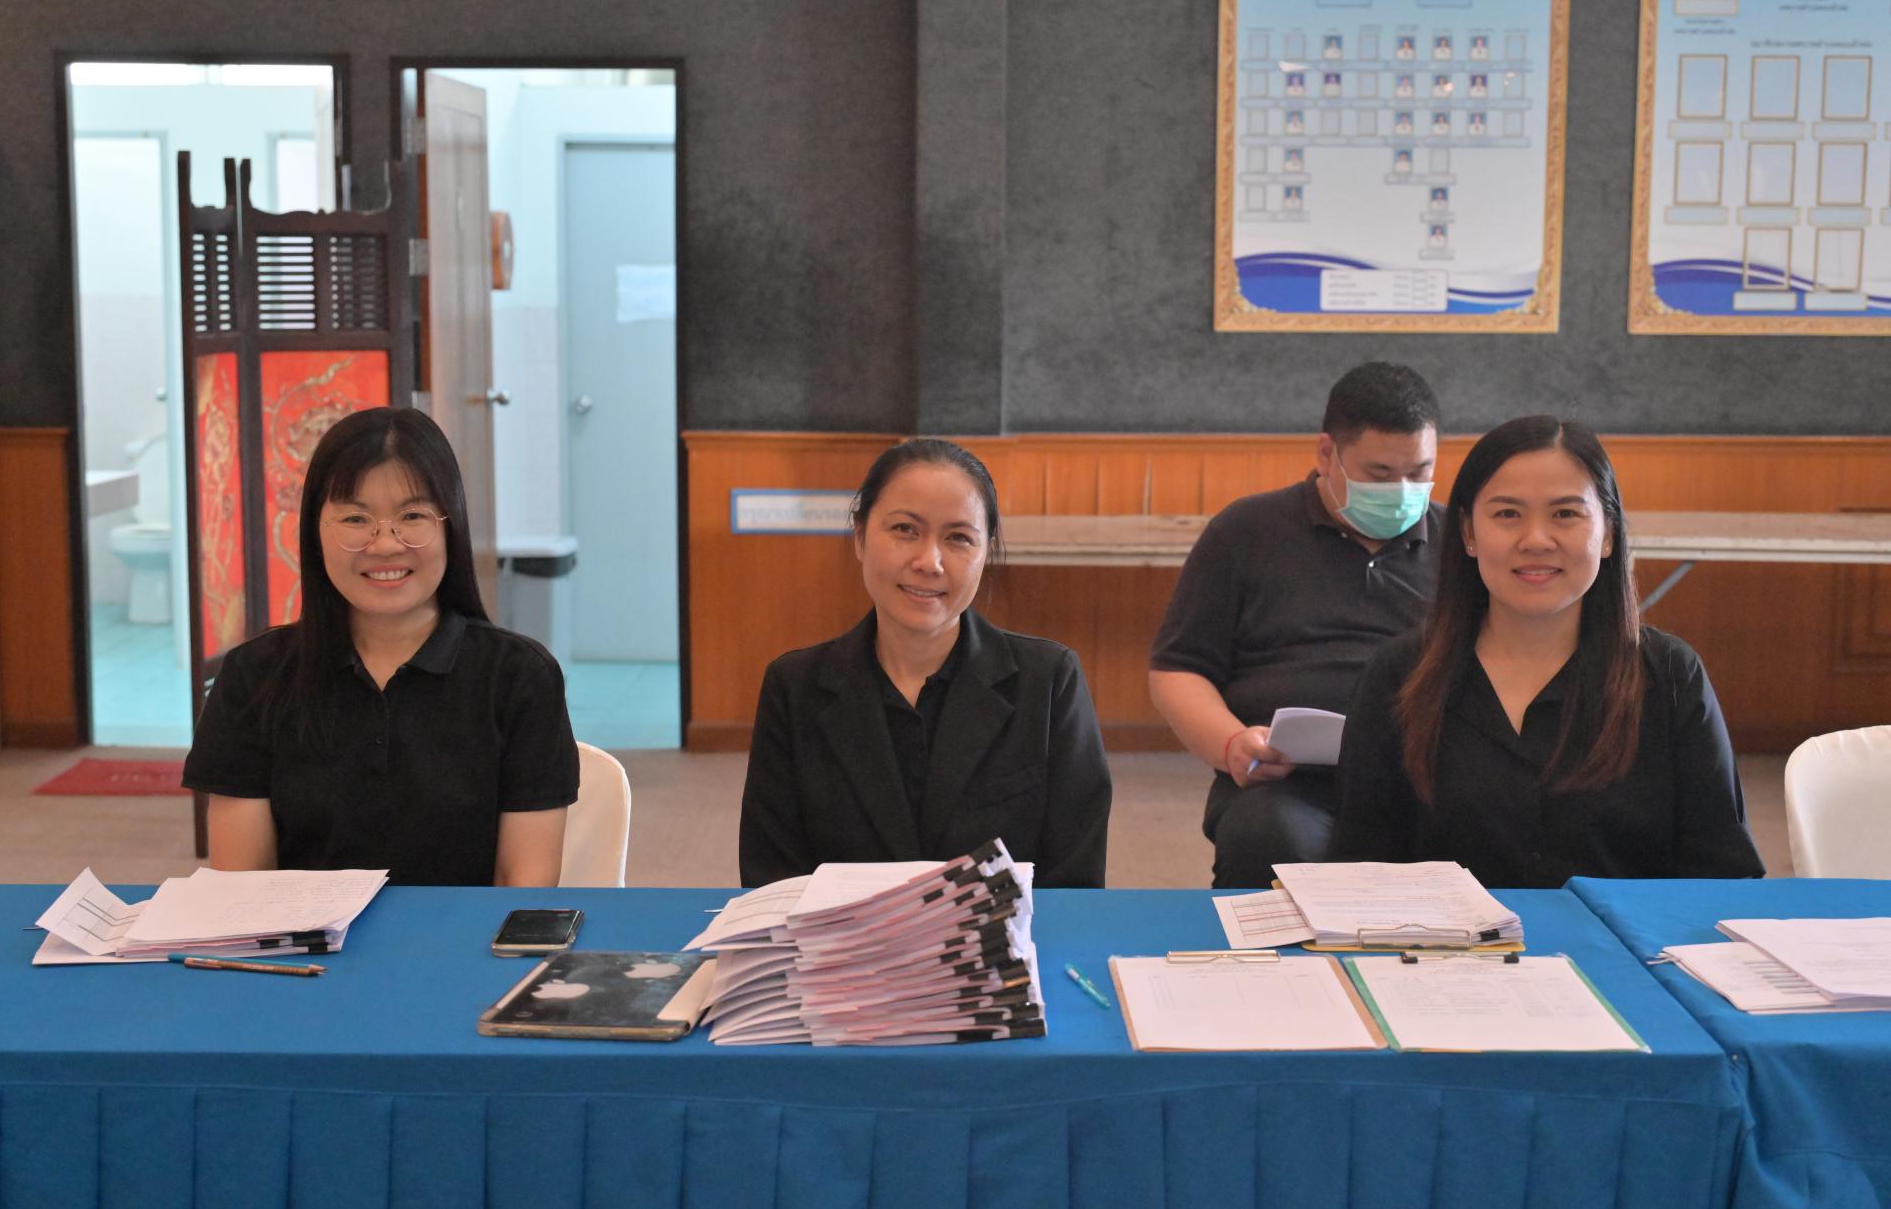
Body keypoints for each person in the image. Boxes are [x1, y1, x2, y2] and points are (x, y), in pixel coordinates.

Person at [1331, 416, 1764, 886]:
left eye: (1565, 514)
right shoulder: (1400, 676)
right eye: (1507, 514)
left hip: (1622, 936)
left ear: (1609, 533)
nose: (1536, 540)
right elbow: (1359, 872)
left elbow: (1724, 877)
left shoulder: (1671, 676)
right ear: (1468, 533)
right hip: (1440, 936)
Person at [184, 407, 578, 885]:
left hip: (468, 935)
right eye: (356, 518)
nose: (385, 544)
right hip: (304, 936)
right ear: (315, 532)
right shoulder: (254, 677)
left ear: (450, 527)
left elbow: (523, 893)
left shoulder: (520, 677)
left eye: (412, 516)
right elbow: (240, 890)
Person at [738, 438, 1112, 887]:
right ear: (860, 537)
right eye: (904, 529)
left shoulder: (1049, 682)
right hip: (842, 936)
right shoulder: (794, 687)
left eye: (958, 538)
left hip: (1007, 936)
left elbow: (1075, 883)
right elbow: (771, 881)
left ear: (985, 553)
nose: (929, 561)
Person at [1149, 363, 1443, 887]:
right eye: (1379, 475)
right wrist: (1232, 744)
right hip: (1285, 780)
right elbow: (1178, 669)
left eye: (1419, 473)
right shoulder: (1245, 532)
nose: (1402, 492)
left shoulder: (1464, 545)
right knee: (1270, 840)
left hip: (1423, 777)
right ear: (1327, 453)